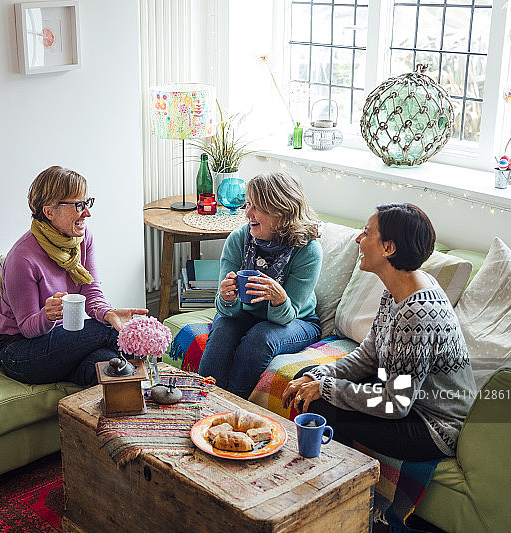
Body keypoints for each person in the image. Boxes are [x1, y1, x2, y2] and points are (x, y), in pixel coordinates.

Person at [281, 203, 476, 461]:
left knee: (320, 402)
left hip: (431, 425)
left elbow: (396, 404)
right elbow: (369, 356)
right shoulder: (397, 290)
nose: (358, 239)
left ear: (389, 248)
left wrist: (327, 388)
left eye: (366, 232)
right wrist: (319, 376)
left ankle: (337, 478)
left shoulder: (416, 313)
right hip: (402, 396)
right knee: (305, 379)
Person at [0, 166, 147, 387]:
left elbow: (91, 292)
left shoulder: (83, 239)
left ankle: (136, 415)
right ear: (49, 212)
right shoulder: (22, 258)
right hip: (20, 353)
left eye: (87, 203)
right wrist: (48, 314)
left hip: (64, 343)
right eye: (78, 205)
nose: (87, 213)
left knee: (109, 366)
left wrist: (108, 312)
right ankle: (154, 369)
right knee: (110, 331)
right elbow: (27, 327)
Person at [197, 171, 323, 399]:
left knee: (259, 336)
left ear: (281, 210)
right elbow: (225, 311)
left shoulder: (307, 250)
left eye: (257, 207)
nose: (248, 213)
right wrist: (227, 298)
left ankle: (233, 407)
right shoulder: (238, 240)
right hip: (245, 314)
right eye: (247, 204)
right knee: (223, 329)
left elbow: (287, 315)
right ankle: (204, 400)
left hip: (297, 319)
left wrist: (279, 298)